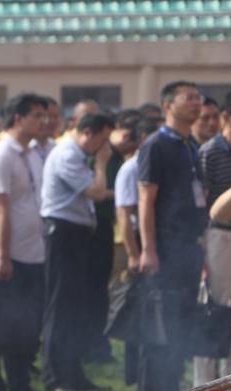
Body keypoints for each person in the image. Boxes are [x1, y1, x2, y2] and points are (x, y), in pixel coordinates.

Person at [137, 81, 212, 391]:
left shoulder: (190, 145)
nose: (196, 103)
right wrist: (149, 249)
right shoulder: (157, 145)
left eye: (198, 98)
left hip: (189, 246)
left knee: (182, 323)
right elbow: (145, 200)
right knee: (161, 325)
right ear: (168, 105)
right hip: (165, 246)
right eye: (189, 98)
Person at [0, 93, 47, 391]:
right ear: (18, 118)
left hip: (32, 252)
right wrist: (4, 256)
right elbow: (1, 208)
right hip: (5, 253)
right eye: (36, 115)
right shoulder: (1, 154)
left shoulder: (32, 153)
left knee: (25, 324)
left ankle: (20, 382)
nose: (43, 122)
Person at [39, 113, 114, 391]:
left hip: (76, 234)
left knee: (75, 307)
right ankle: (55, 376)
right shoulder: (68, 154)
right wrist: (103, 163)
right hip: (63, 234)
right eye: (102, 139)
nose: (103, 146)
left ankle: (73, 373)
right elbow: (96, 191)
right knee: (60, 307)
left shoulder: (77, 155)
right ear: (87, 132)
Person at [192, 89, 231, 391]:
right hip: (219, 238)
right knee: (213, 313)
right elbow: (204, 204)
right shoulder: (209, 153)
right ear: (228, 117)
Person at [84, 109, 139, 365]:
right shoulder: (96, 158)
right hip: (91, 229)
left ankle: (100, 344)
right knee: (99, 290)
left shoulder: (117, 157)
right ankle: (91, 345)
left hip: (106, 226)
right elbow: (95, 191)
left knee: (102, 293)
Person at [114, 116, 162, 386]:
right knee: (137, 311)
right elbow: (124, 213)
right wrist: (133, 253)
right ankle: (133, 372)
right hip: (138, 243)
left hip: (153, 242)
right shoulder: (131, 168)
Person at [31, 96, 61, 164]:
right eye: (48, 116)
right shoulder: (25, 148)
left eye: (55, 116)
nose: (52, 121)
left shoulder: (56, 148)